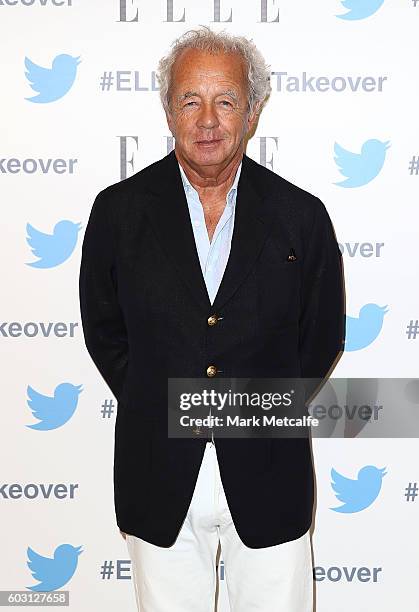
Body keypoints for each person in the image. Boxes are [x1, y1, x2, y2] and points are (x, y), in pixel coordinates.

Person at [79, 26, 345, 612]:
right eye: (189, 100)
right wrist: (162, 399)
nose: (207, 120)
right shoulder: (118, 213)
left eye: (224, 100)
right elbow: (104, 331)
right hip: (159, 466)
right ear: (168, 110)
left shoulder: (302, 217)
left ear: (251, 112)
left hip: (268, 467)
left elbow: (321, 334)